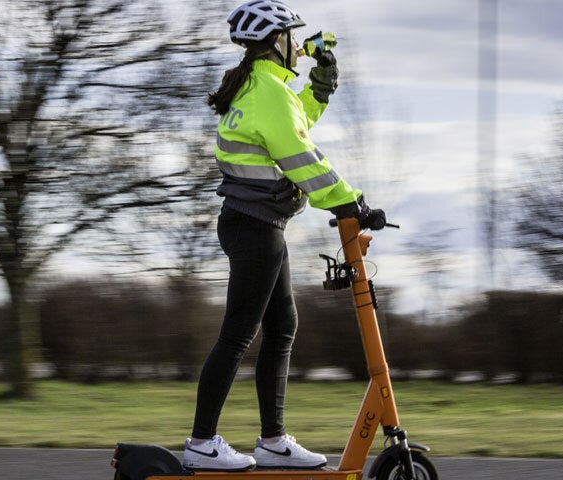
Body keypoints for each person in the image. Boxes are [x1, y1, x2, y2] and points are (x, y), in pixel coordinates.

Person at [184, 0, 387, 472]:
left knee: (281, 328)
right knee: (239, 335)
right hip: (255, 226)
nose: (300, 45)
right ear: (276, 42)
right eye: (294, 38)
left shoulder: (259, 88)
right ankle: (201, 441)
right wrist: (349, 201)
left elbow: (291, 128)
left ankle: (272, 440)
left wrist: (320, 87)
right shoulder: (267, 94)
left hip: (254, 222)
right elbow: (301, 157)